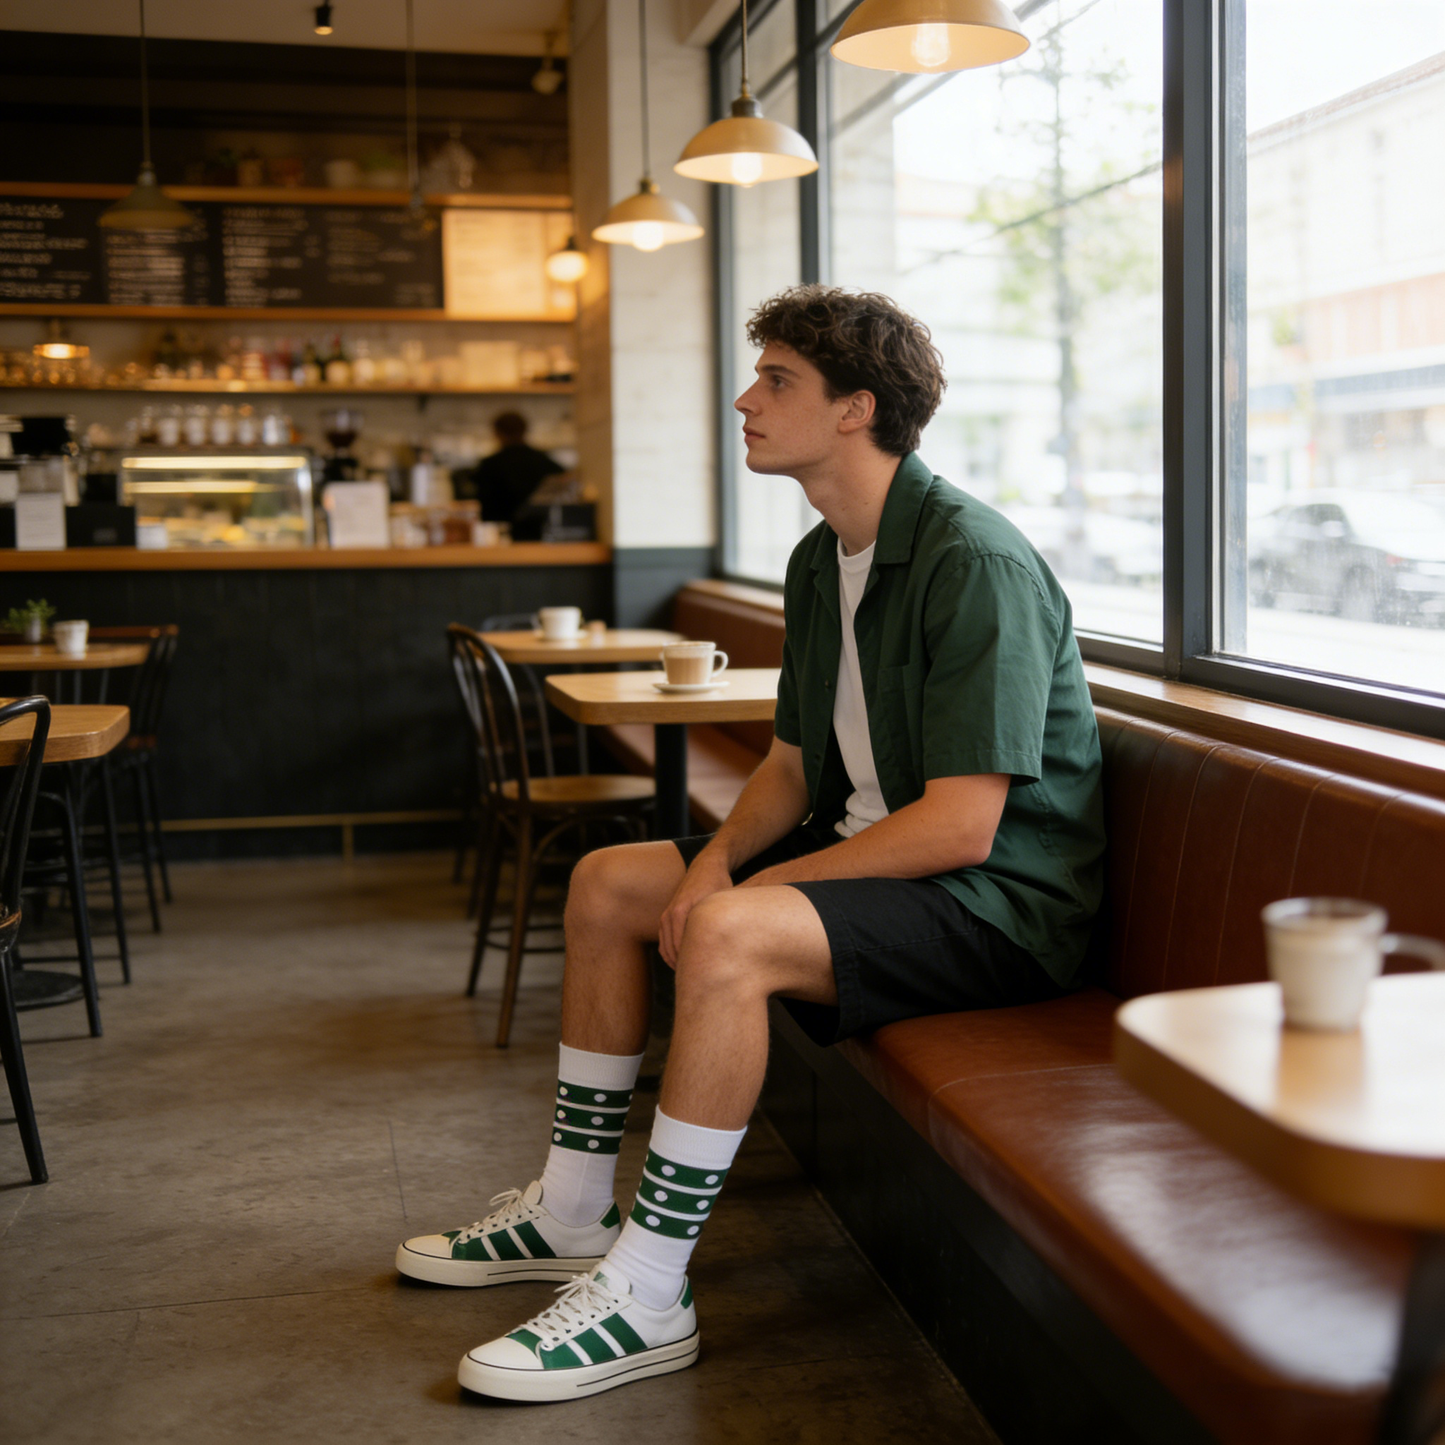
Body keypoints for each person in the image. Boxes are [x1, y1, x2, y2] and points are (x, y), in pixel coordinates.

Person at [396, 284, 1107, 1403]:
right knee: (608, 880)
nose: (745, 400)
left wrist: (739, 897)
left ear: (855, 410)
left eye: (776, 380)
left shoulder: (972, 559)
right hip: (879, 858)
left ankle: (648, 1291)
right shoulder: (821, 558)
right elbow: (787, 764)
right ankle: (573, 1210)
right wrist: (717, 861)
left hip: (995, 905)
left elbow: (962, 824)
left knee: (727, 936)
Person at [458, 410, 563, 525]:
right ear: (525, 430)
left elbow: (483, 503)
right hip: (540, 528)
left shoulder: (490, 464)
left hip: (500, 529)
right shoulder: (543, 461)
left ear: (497, 433)